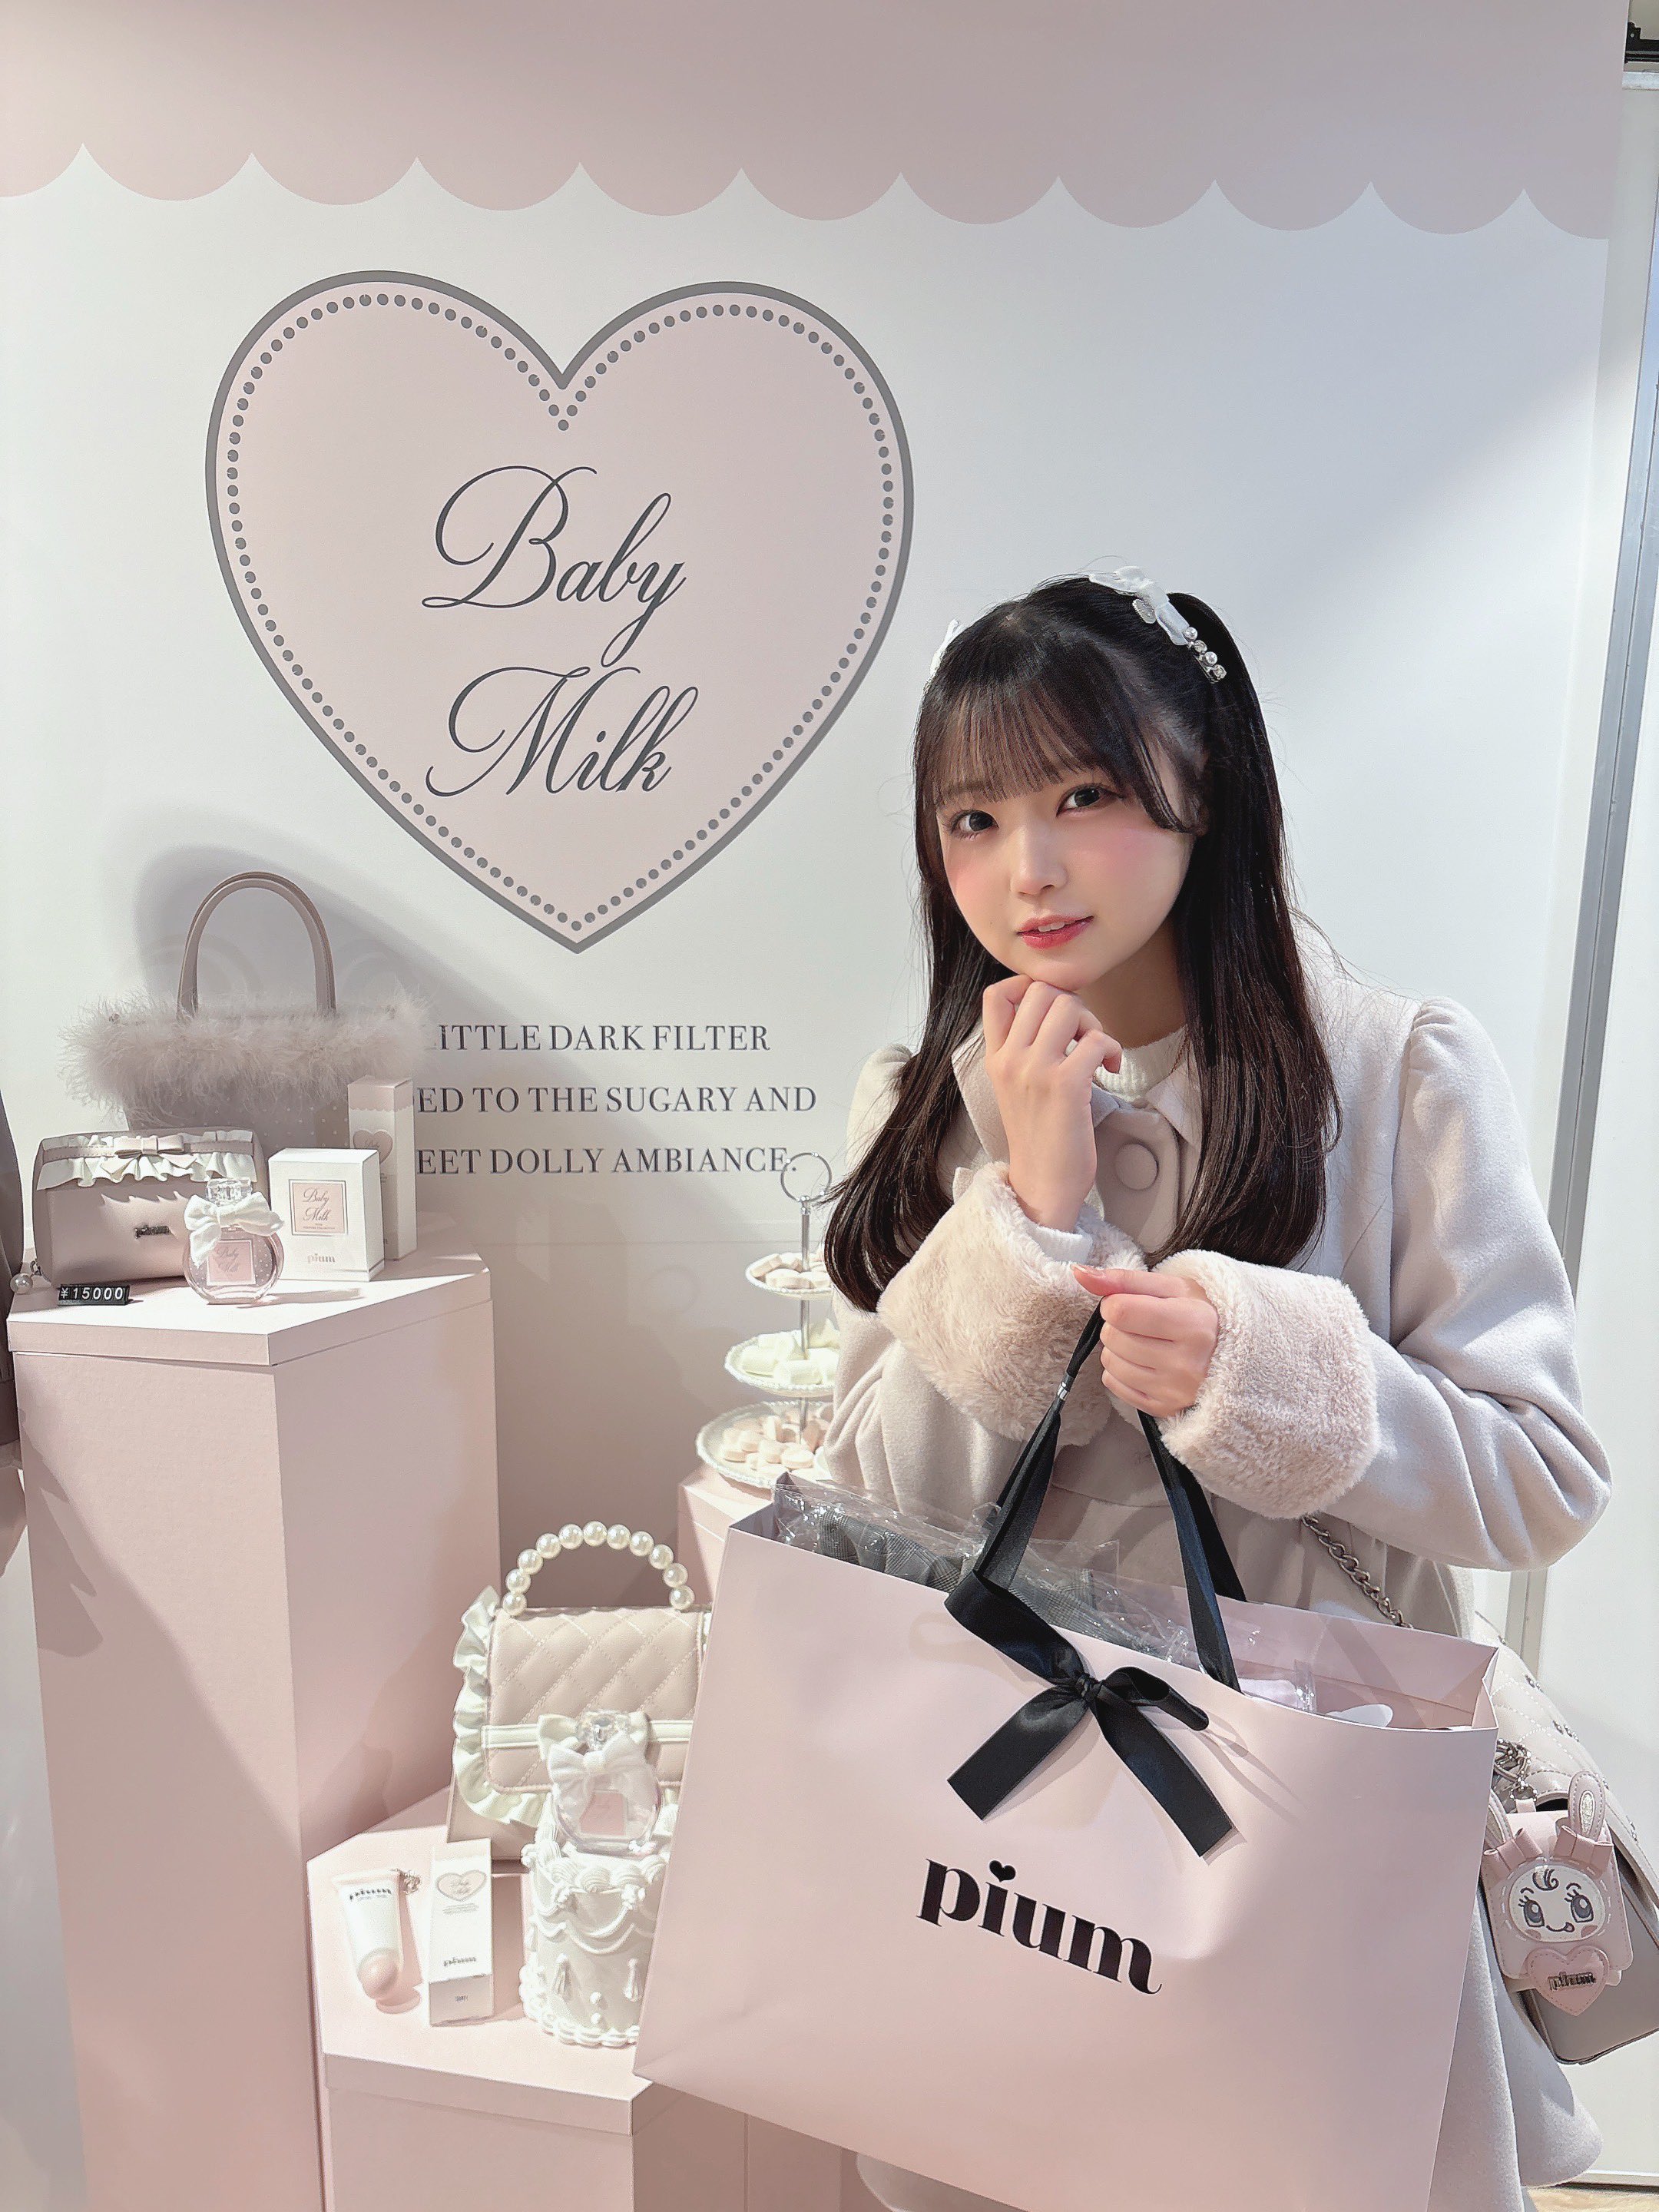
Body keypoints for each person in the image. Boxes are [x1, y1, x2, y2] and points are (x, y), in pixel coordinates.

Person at [820, 568, 1612, 2212]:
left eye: (1082, 795)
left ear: (1207, 786)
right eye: (972, 819)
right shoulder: (921, 1110)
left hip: (1305, 1833)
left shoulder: (1393, 1075)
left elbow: (1541, 1477)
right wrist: (1028, 1220)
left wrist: (1270, 1372)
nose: (1027, 868)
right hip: (1010, 1834)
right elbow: (870, 1513)